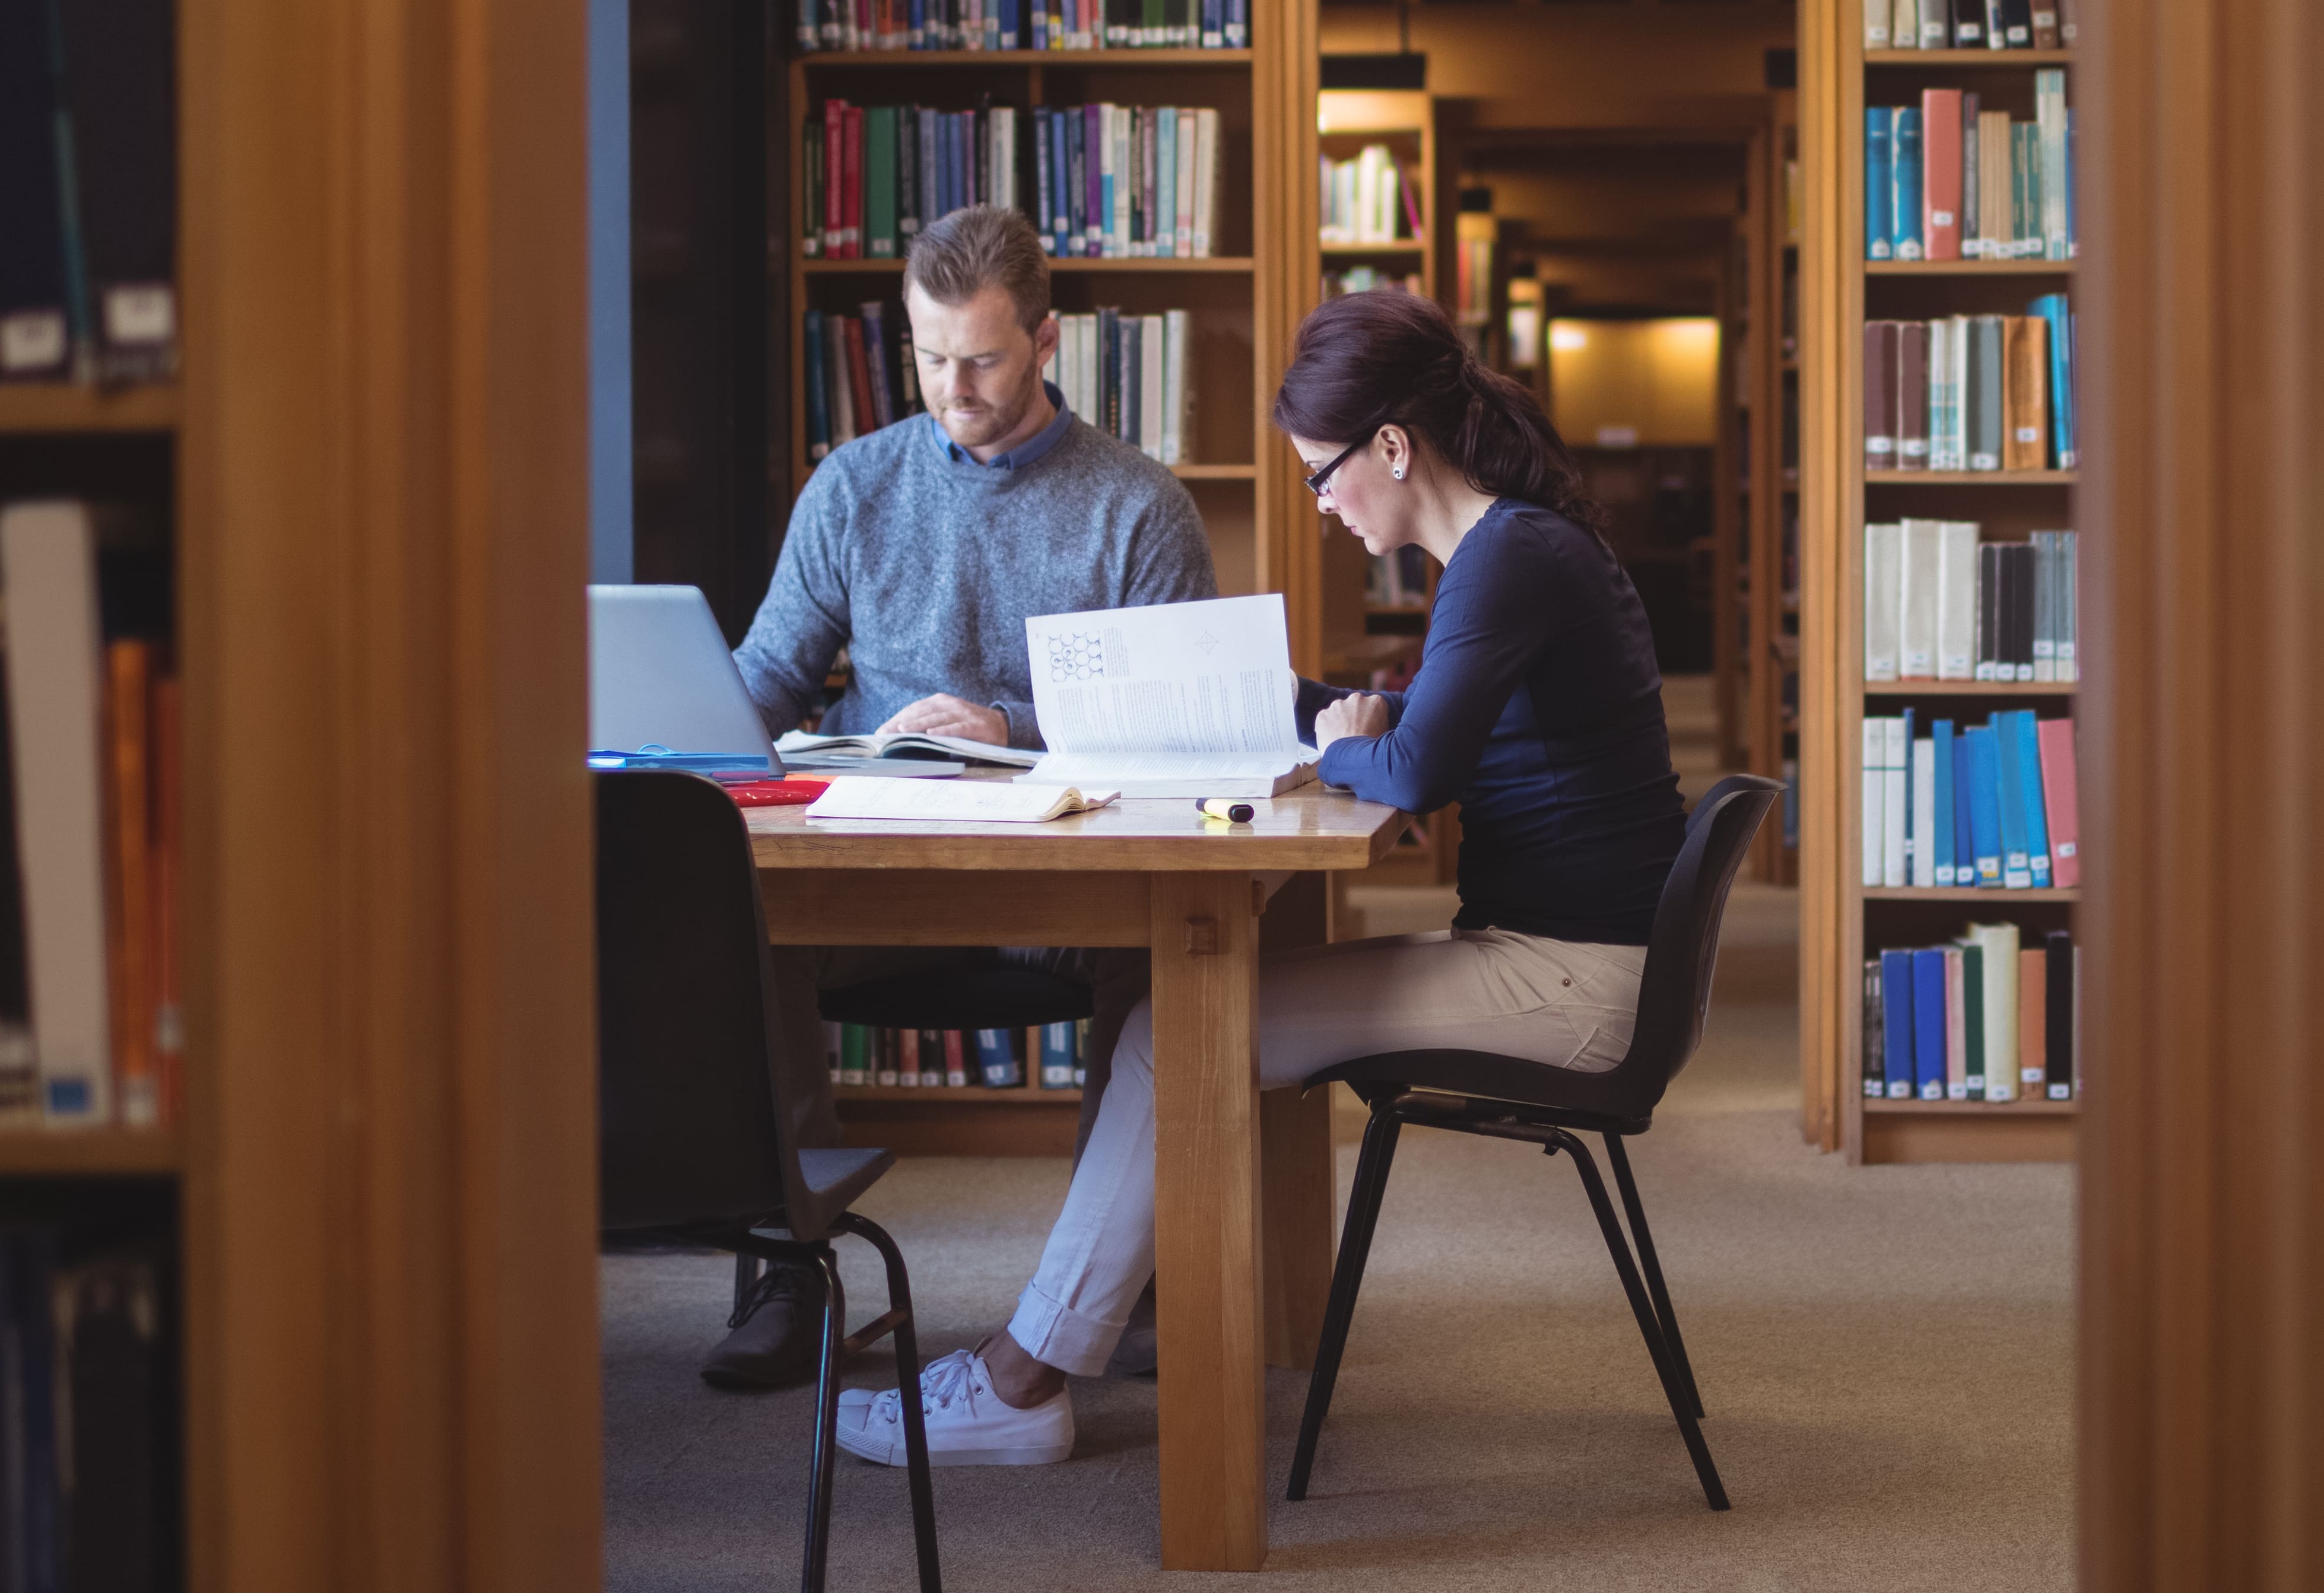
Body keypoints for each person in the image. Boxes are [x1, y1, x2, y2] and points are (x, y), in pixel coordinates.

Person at [839, 282, 1685, 1467]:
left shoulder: (1506, 559)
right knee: (1181, 1019)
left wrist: (1355, 736)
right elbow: (1418, 732)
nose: (1323, 501)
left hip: (1569, 981)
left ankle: (1022, 1382)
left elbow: (1413, 772)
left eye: (1323, 473)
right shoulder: (1520, 547)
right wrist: (1318, 710)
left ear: (1393, 444)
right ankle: (1047, 1362)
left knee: (1166, 1031)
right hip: (1568, 957)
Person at [709, 198, 1213, 1389]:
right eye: (929, 356)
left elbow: (1181, 734)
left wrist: (1009, 726)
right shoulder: (854, 488)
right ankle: (794, 1260)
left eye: (981, 358)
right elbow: (766, 678)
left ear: (1046, 341)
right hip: (885, 874)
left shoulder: (1140, 507)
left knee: (1177, 954)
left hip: (1065, 888)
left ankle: (1113, 1284)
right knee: (743, 928)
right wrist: (693, 714)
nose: (952, 386)